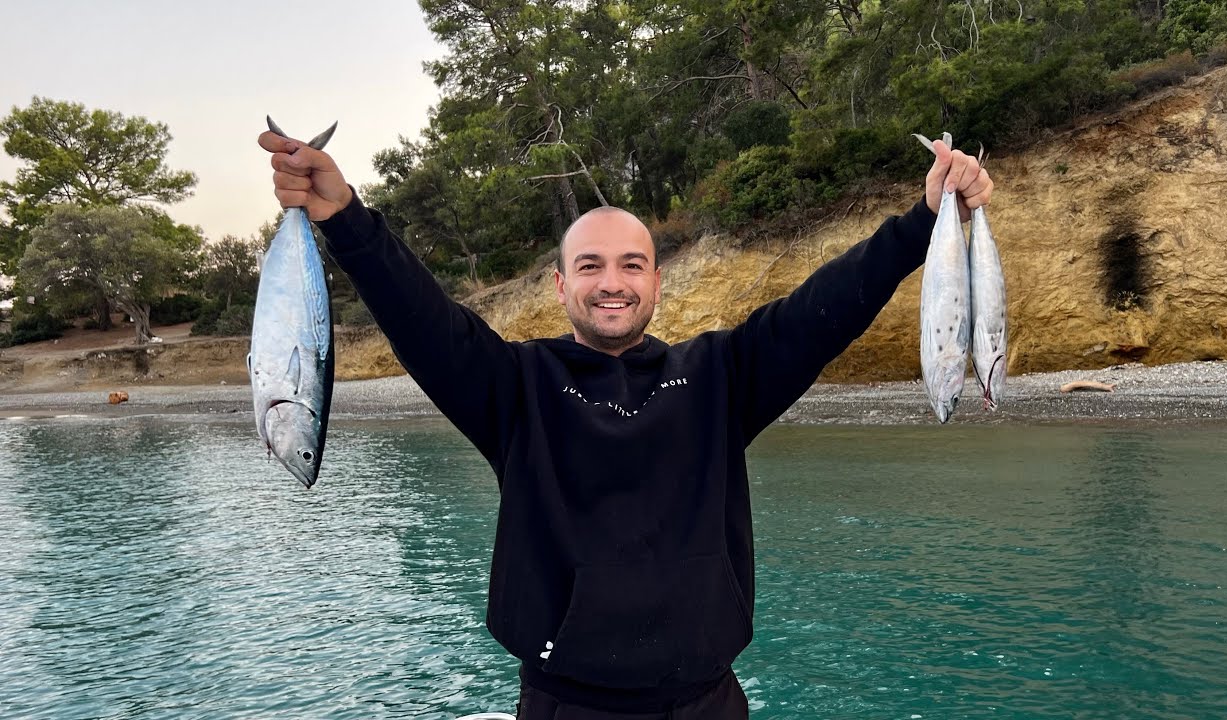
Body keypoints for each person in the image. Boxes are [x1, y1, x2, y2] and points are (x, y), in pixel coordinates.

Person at [259, 129, 992, 719]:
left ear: (656, 282)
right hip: (566, 707)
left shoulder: (722, 376)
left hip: (708, 704)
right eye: (591, 266)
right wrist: (345, 218)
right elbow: (422, 318)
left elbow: (823, 310)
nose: (612, 282)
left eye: (632, 264)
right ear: (560, 285)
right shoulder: (513, 386)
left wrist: (922, 221)